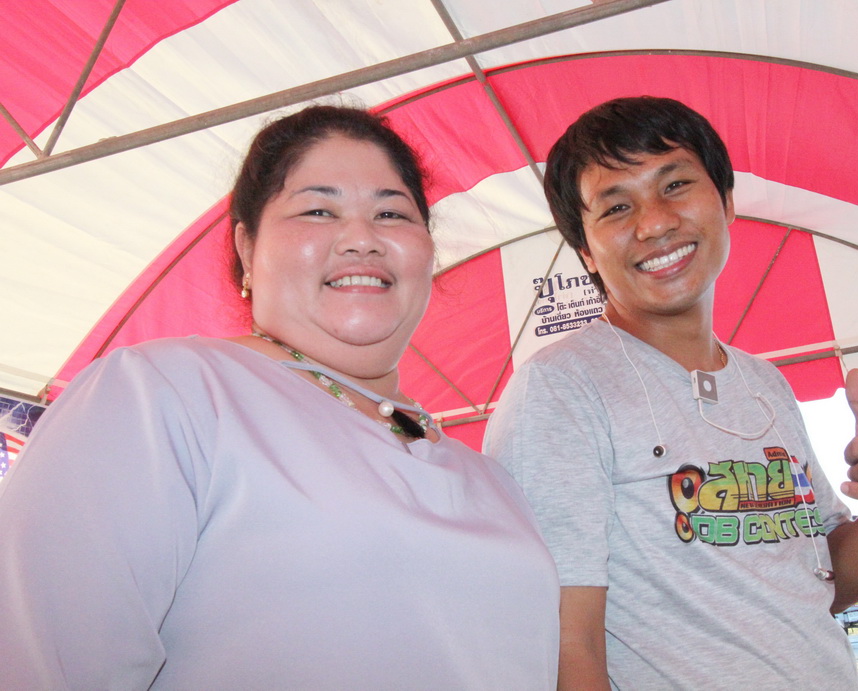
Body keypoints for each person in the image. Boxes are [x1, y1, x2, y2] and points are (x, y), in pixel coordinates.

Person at [0, 105, 559, 689]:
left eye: (392, 213)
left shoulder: (488, 477)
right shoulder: (161, 395)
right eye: (318, 210)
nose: (362, 239)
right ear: (247, 248)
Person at [483, 96, 858, 689]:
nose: (655, 223)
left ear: (726, 202)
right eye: (617, 207)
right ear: (585, 249)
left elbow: (826, 582)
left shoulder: (765, 383)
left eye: (675, 185)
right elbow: (564, 642)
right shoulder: (560, 389)